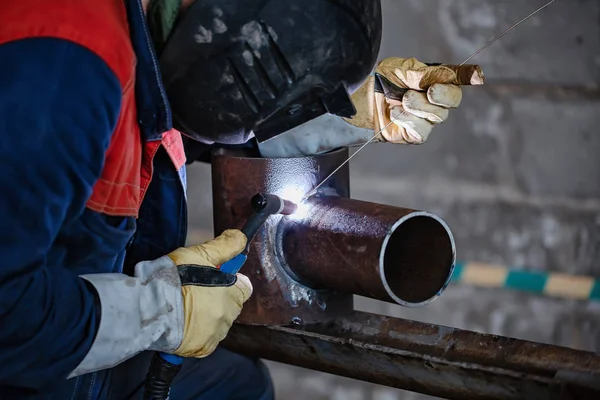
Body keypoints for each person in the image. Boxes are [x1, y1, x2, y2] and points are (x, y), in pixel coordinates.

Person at [0, 0, 475, 399]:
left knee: (235, 385)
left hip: (61, 332)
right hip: (30, 356)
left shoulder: (134, 37)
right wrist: (158, 311)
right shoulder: (65, 67)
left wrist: (349, 114)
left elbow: (169, 131)